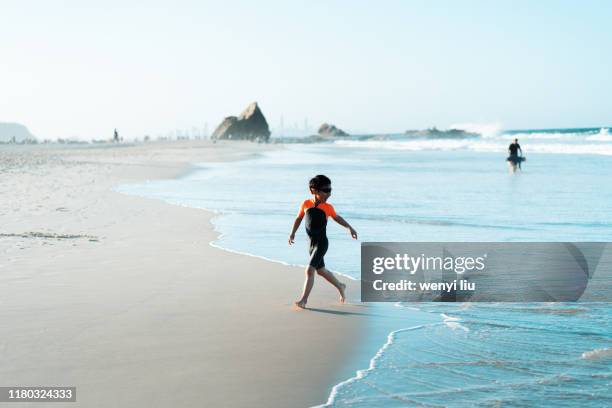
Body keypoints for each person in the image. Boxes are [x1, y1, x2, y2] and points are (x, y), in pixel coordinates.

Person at [288, 175, 358, 309]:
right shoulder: (306, 204)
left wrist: (350, 227)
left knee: (309, 270)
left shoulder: (328, 207)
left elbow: (338, 218)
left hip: (322, 243)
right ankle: (340, 286)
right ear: (313, 190)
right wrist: (292, 233)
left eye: (330, 190)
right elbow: (298, 218)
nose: (329, 193)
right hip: (311, 245)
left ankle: (303, 300)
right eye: (325, 190)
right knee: (320, 270)